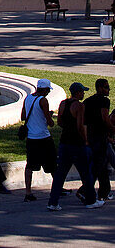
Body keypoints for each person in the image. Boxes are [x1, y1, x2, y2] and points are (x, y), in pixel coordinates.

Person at [48, 81, 103, 210]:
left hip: (64, 143)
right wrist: (85, 141)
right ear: (78, 93)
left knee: (60, 175)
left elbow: (60, 121)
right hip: (77, 144)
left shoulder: (63, 104)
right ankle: (91, 201)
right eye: (82, 91)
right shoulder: (79, 106)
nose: (83, 93)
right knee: (86, 174)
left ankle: (53, 202)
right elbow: (80, 126)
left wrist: (67, 128)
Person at [22, 78, 57, 201]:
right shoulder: (43, 100)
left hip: (31, 137)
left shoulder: (28, 98)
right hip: (43, 136)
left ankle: (28, 192)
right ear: (46, 90)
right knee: (53, 164)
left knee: (30, 166)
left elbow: (23, 116)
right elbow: (50, 122)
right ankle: (57, 189)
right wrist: (49, 117)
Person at [83, 78, 112, 201]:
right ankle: (85, 191)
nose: (108, 89)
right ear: (99, 88)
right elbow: (105, 118)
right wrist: (113, 129)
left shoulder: (87, 101)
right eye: (106, 87)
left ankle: (104, 192)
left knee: (102, 165)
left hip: (91, 136)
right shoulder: (104, 101)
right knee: (99, 165)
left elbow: (83, 121)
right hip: (100, 137)